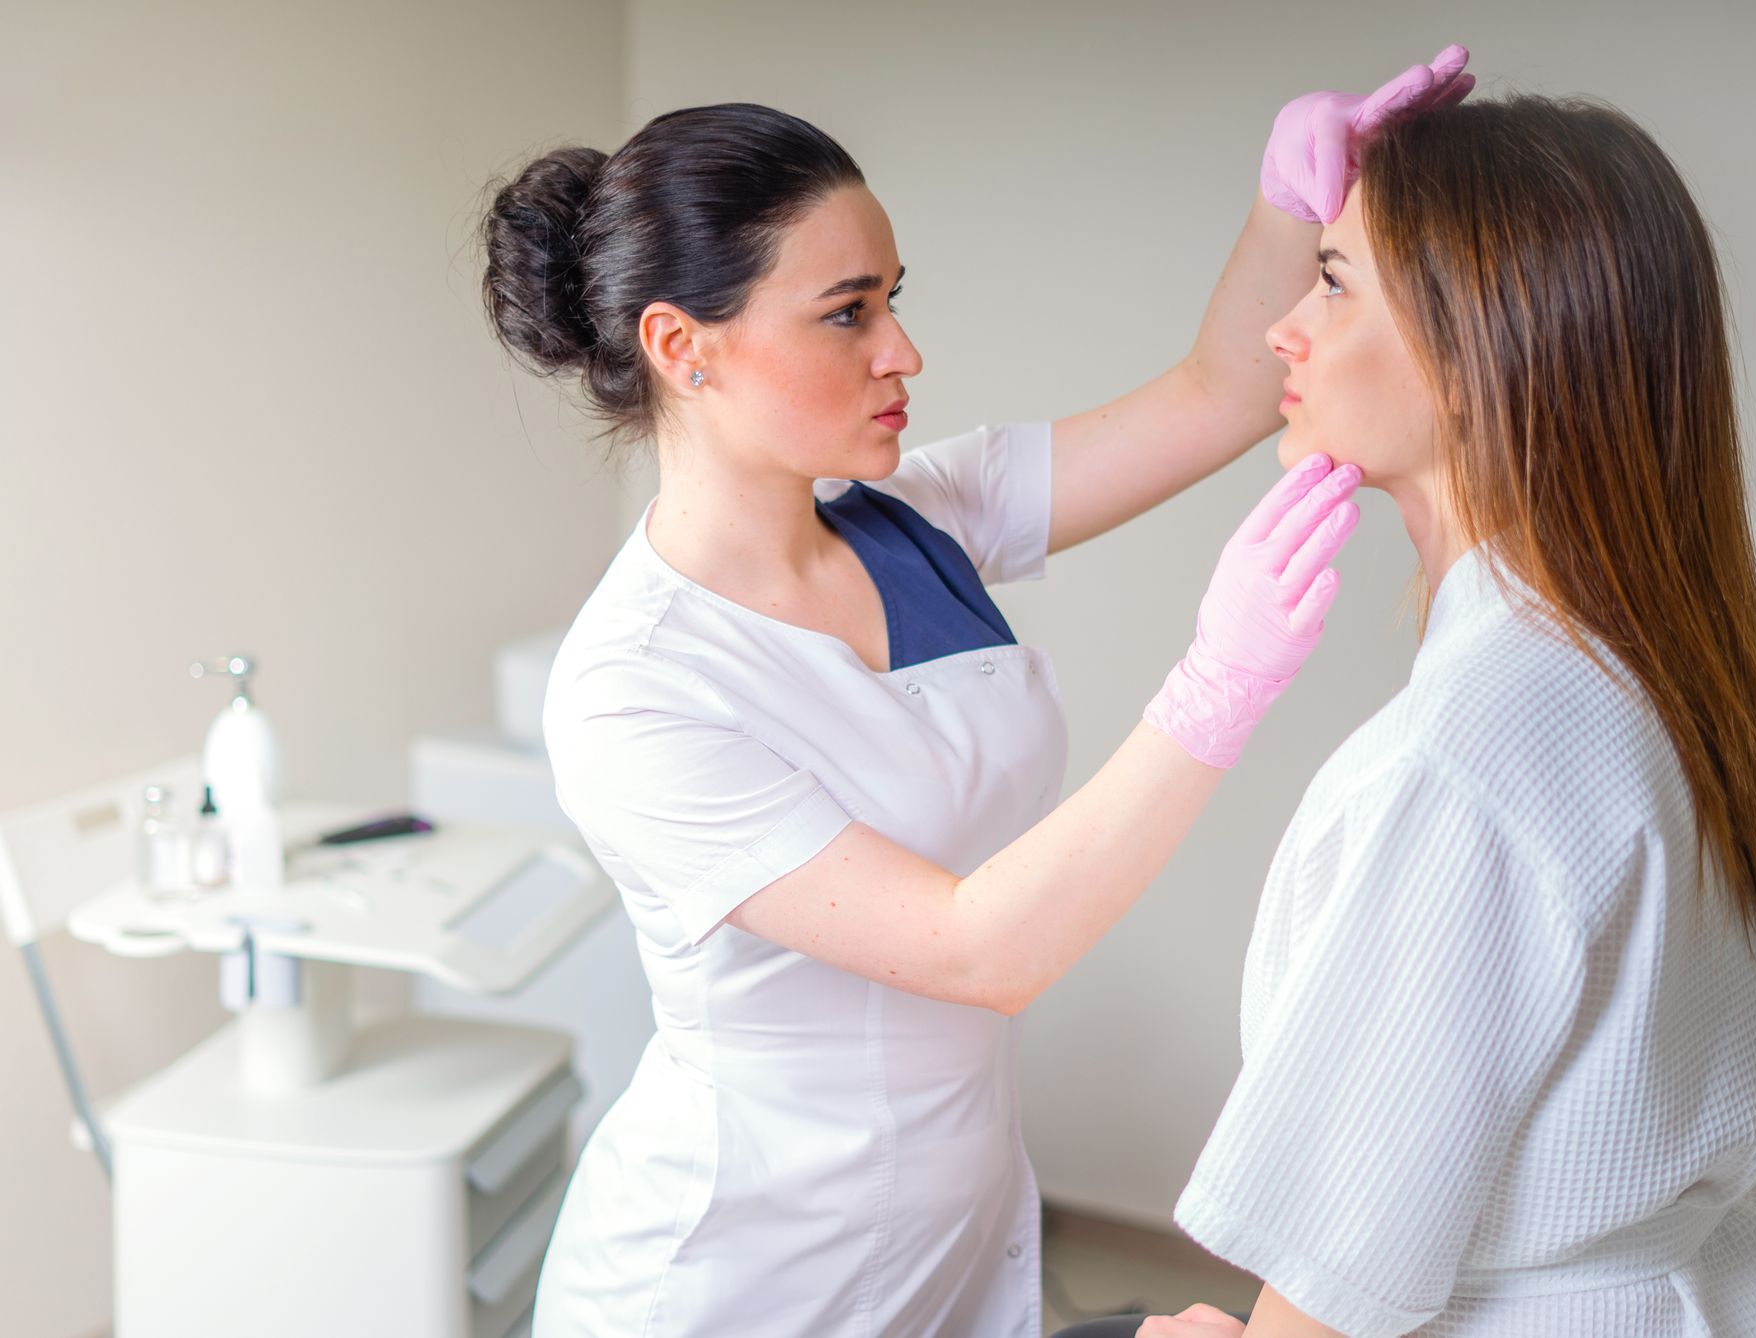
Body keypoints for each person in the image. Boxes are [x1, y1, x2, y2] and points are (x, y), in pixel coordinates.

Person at [479, 52, 1471, 1338]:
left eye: (894, 299)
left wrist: (1292, 199)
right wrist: (1216, 687)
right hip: (738, 1278)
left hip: (957, 1230)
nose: (905, 350)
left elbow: (1218, 394)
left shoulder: (922, 518)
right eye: (847, 314)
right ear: (682, 347)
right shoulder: (634, 692)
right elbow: (974, 950)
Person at [1068, 91, 1756, 1338]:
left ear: (1481, 350)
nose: (1285, 335)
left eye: (1333, 285)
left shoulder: (1465, 762)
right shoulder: (1661, 656)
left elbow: (1335, 1272)